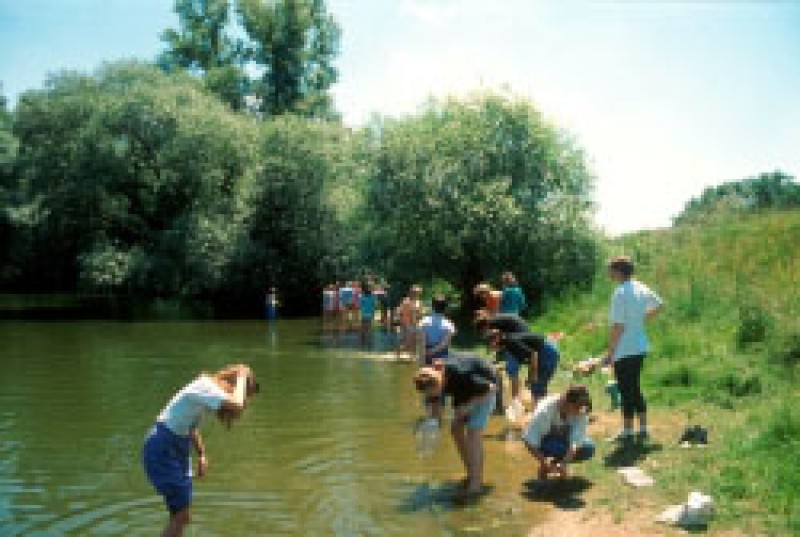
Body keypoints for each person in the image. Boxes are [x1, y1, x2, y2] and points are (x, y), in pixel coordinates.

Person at [142, 364, 258, 537]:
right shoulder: (206, 386)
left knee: (182, 517)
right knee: (181, 517)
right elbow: (237, 405)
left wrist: (202, 454)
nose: (235, 398)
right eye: (239, 392)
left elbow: (190, 428)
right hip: (163, 447)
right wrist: (242, 375)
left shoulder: (206, 392)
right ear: (233, 383)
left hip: (176, 447)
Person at [413, 356, 497, 495]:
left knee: (473, 432)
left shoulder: (462, 374)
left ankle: (476, 484)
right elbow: (435, 409)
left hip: (485, 389)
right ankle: (471, 471)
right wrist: (429, 426)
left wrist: (468, 406)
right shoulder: (431, 380)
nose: (434, 398)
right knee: (455, 429)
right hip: (462, 392)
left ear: (440, 383)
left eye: (434, 394)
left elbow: (492, 389)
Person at [603, 256, 663, 442]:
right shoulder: (641, 287)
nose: (608, 273)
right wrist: (641, 320)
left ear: (619, 272)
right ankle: (643, 428)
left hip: (625, 348)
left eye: (611, 270)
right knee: (634, 387)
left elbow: (618, 326)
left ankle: (628, 431)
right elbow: (659, 305)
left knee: (625, 389)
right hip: (640, 345)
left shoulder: (620, 293)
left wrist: (610, 352)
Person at [522, 384, 595, 480]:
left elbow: (575, 442)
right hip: (545, 441)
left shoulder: (581, 411)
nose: (580, 411)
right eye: (578, 407)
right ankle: (547, 467)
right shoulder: (545, 411)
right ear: (567, 402)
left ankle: (558, 466)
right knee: (554, 446)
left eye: (582, 407)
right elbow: (529, 440)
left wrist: (565, 463)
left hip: (562, 441)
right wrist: (543, 461)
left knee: (588, 447)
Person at [489, 329, 560, 412]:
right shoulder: (509, 341)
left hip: (547, 355)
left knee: (537, 386)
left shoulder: (511, 344)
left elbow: (533, 355)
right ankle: (541, 412)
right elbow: (529, 356)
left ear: (496, 340)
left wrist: (531, 376)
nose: (491, 347)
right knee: (539, 387)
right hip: (548, 351)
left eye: (490, 343)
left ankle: (540, 414)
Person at [474, 309, 530, 407]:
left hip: (520, 335)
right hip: (519, 331)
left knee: (512, 370)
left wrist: (493, 350)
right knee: (511, 369)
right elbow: (499, 340)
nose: (484, 334)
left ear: (485, 327)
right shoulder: (493, 321)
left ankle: (515, 400)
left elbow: (497, 340)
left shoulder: (493, 324)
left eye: (482, 332)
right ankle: (515, 397)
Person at [418, 294, 456, 365]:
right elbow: (444, 344)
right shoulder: (449, 325)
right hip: (442, 355)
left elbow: (422, 342)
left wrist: (422, 358)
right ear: (445, 308)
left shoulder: (424, 322)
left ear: (432, 307)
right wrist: (432, 351)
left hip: (426, 354)